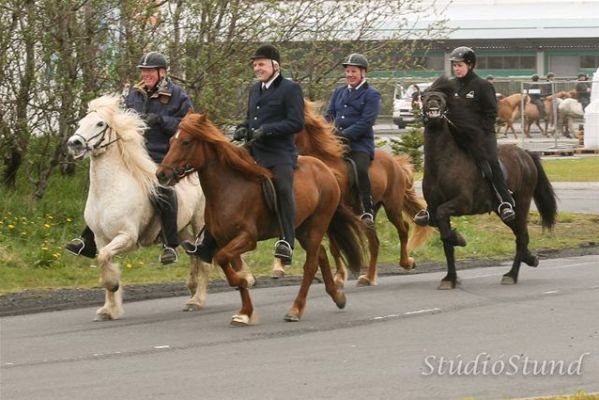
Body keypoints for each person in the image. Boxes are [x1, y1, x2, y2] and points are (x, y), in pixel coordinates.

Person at [64, 51, 193, 265]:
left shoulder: (177, 95)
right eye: (143, 71)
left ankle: (170, 245)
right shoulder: (134, 94)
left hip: (160, 154)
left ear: (162, 72)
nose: (146, 74)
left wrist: (161, 119)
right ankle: (88, 239)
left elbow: (188, 124)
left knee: (163, 191)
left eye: (150, 71)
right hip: (131, 153)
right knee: (105, 190)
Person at [183, 43, 304, 266]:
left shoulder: (290, 88)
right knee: (223, 182)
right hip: (254, 149)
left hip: (279, 153)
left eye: (262, 64)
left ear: (275, 65)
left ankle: (287, 241)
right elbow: (251, 118)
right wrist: (242, 127)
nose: (257, 68)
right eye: (255, 65)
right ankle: (208, 243)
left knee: (284, 187)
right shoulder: (254, 89)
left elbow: (296, 122)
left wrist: (268, 130)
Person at [414, 46, 515, 225]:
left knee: (490, 163)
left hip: (483, 136)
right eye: (454, 65)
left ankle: (504, 201)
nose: (457, 69)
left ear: (470, 65)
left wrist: (475, 131)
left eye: (460, 65)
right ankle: (431, 209)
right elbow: (432, 95)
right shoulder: (450, 85)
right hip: (457, 135)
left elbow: (491, 114)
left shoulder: (483, 86)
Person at [325, 53, 381, 225]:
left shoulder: (371, 94)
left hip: (359, 144)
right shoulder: (339, 91)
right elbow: (329, 114)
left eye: (353, 71)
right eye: (348, 71)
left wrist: (344, 135)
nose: (349, 74)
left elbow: (366, 121)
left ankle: (367, 209)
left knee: (361, 169)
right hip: (336, 141)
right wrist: (329, 131)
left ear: (362, 72)